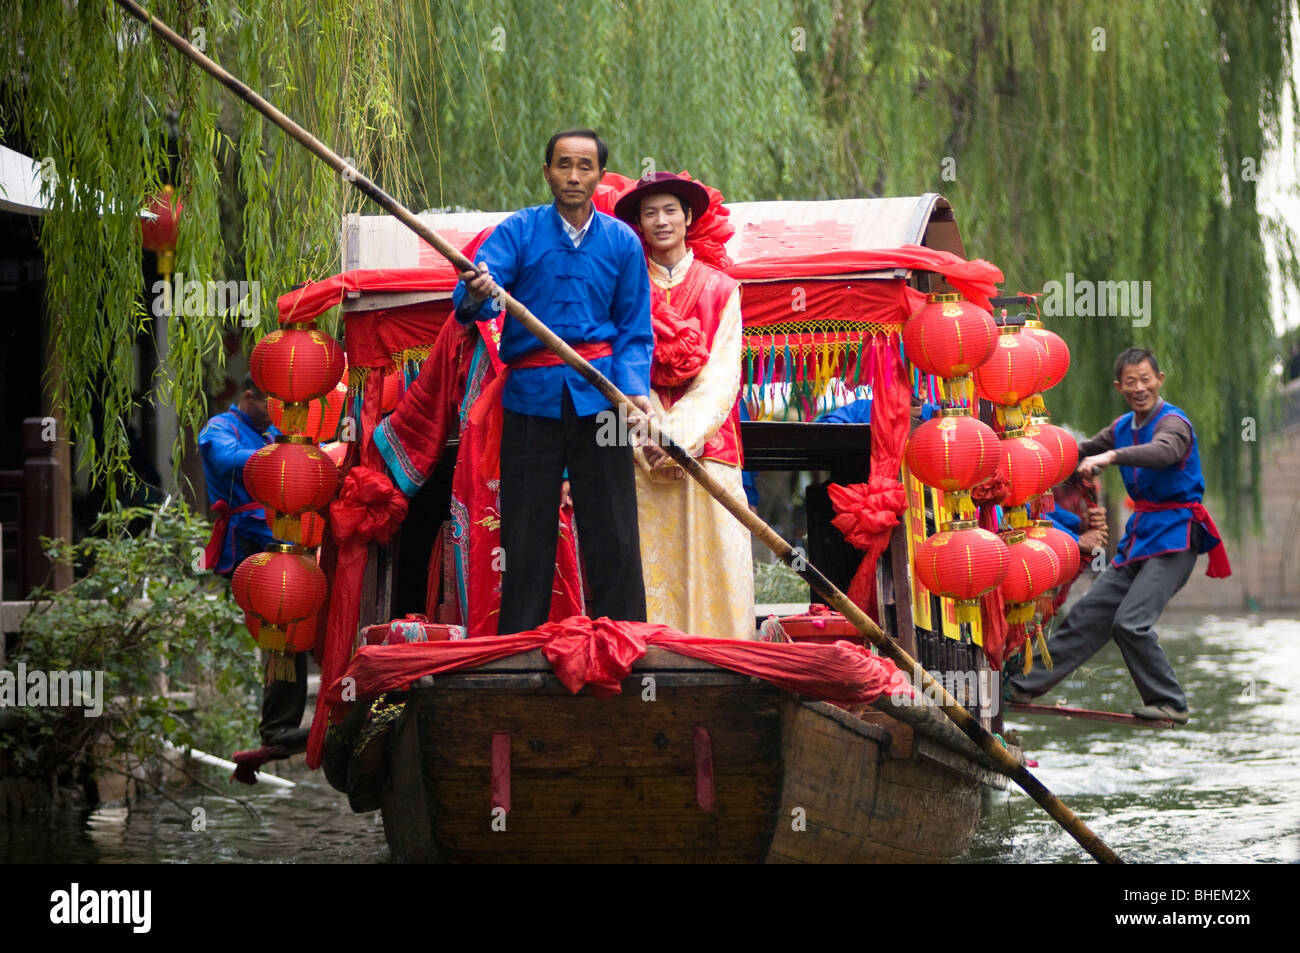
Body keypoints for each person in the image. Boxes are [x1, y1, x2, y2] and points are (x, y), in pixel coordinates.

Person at [453, 129, 654, 634]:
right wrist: (479, 288)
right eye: (563, 165)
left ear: (600, 176)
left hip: (601, 398)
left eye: (585, 166)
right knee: (526, 528)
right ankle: (519, 644)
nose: (573, 176)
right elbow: (474, 295)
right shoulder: (519, 231)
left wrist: (632, 392)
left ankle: (622, 639)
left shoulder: (623, 242)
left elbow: (634, 330)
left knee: (612, 528)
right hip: (531, 398)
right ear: (546, 172)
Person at [1007, 348, 1231, 723]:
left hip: (1176, 537)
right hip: (1140, 539)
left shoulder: (1174, 424)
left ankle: (1170, 702)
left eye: (1146, 379)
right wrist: (1031, 457)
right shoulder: (1122, 426)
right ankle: (1022, 685)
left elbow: (1163, 452)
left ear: (1159, 380)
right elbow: (1078, 454)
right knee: (1088, 614)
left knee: (1130, 623)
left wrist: (1110, 458)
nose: (1139, 388)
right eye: (1131, 382)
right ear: (1119, 387)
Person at [612, 172, 753, 638]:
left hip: (709, 454)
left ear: (689, 217)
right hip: (641, 457)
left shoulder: (722, 289)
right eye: (649, 213)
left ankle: (728, 680)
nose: (661, 221)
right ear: (639, 223)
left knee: (717, 577)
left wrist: (674, 438)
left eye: (670, 210)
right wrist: (650, 439)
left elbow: (721, 380)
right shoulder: (624, 290)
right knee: (651, 583)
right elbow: (620, 372)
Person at [199, 377, 308, 751]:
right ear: (249, 397)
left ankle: (316, 715)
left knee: (299, 627)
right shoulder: (220, 428)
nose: (276, 415)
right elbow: (226, 459)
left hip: (286, 539)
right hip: (249, 544)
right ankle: (277, 727)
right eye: (270, 405)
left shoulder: (273, 432)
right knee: (282, 628)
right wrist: (284, 454)